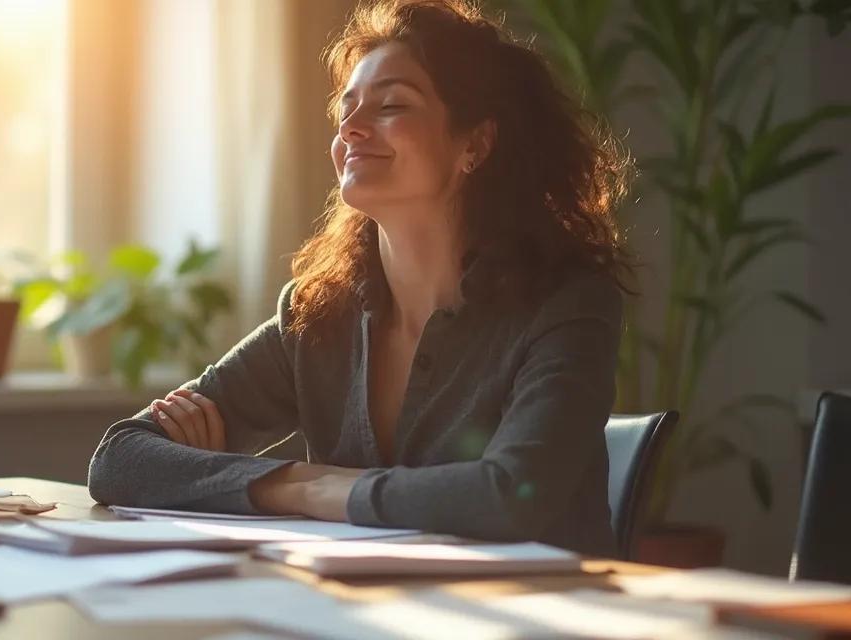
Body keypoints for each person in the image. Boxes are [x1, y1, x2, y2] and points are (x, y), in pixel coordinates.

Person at [86, 0, 632, 555]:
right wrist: (298, 484)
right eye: (346, 110)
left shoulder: (568, 305)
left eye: (392, 105)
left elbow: (511, 495)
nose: (351, 128)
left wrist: (318, 486)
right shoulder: (317, 313)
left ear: (475, 144)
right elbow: (120, 459)